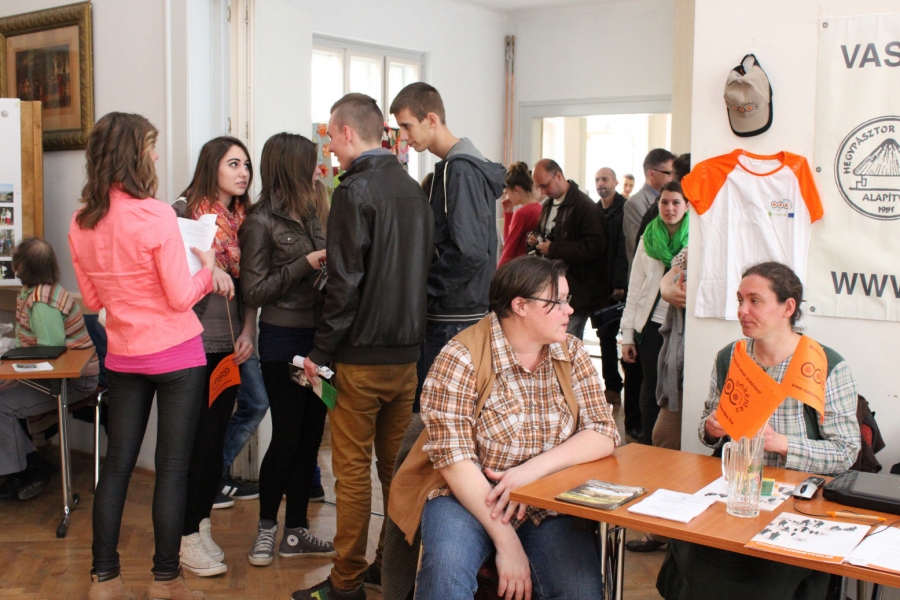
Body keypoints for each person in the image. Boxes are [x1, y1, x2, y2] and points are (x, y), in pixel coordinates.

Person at [69, 111, 218, 599]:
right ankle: (165, 579)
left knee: (116, 467)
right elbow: (181, 296)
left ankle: (104, 578)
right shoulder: (156, 214)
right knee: (172, 470)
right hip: (177, 356)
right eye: (151, 146)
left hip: (124, 357)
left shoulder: (81, 221)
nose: (156, 154)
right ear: (134, 154)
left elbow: (93, 300)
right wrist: (208, 269)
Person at [415, 256, 621, 599]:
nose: (569, 310)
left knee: (580, 591)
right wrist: (507, 542)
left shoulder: (571, 353)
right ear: (520, 306)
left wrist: (528, 473)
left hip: (548, 498)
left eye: (568, 300)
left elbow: (603, 431)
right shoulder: (461, 356)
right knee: (445, 573)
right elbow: (454, 459)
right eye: (558, 302)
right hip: (468, 497)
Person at [297, 93, 434, 600]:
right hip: (407, 358)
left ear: (348, 132)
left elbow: (345, 284)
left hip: (358, 358)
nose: (330, 148)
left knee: (352, 474)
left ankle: (346, 583)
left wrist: (320, 352)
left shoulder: (352, 191)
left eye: (332, 137)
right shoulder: (413, 189)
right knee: (397, 472)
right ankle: (390, 571)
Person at [657, 262, 861, 600]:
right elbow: (707, 428)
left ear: (788, 307)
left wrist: (781, 443)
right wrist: (711, 427)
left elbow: (846, 453)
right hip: (733, 494)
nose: (742, 310)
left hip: (797, 504)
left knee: (766, 581)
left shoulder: (825, 365)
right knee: (695, 558)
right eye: (740, 300)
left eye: (755, 301)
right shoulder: (731, 357)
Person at [239, 133, 334, 569]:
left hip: (320, 341)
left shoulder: (313, 211)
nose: (317, 170)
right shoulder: (259, 221)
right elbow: (254, 291)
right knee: (287, 437)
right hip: (282, 341)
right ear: (291, 166)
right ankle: (266, 529)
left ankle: (295, 530)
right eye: (311, 162)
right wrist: (304, 264)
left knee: (311, 439)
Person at [389, 82, 506, 411]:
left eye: (407, 126)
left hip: (454, 315)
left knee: (440, 417)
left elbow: (469, 251)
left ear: (431, 119)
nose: (404, 137)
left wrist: (424, 288)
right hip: (460, 310)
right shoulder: (457, 167)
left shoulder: (460, 169)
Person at [172, 136, 257, 576]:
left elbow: (249, 286)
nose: (243, 172)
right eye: (233, 164)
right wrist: (212, 268)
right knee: (197, 444)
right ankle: (185, 535)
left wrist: (248, 330)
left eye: (246, 164)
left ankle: (200, 524)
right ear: (212, 166)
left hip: (229, 343)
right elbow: (172, 274)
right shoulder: (185, 213)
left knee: (214, 443)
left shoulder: (244, 219)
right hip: (193, 343)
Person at [0, 238, 99, 502]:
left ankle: (24, 471)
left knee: (1, 405)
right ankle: (34, 464)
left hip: (73, 382)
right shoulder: (38, 291)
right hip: (57, 376)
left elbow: (52, 357)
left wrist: (14, 377)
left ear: (22, 266)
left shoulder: (42, 303)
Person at [621, 181, 688, 447]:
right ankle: (649, 446)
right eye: (664, 202)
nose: (670, 208)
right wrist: (627, 336)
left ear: (687, 206)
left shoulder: (696, 239)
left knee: (679, 386)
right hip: (651, 326)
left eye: (676, 202)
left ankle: (673, 446)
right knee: (650, 387)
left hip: (684, 327)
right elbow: (635, 288)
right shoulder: (648, 238)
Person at [529, 159, 606, 340]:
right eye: (538, 187)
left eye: (545, 185)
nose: (542, 191)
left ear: (558, 176)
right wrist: (535, 238)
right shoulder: (548, 204)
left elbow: (595, 247)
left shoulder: (584, 206)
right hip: (550, 285)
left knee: (567, 341)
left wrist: (553, 248)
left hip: (577, 290)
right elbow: (547, 232)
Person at [593, 167, 629, 411]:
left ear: (615, 182)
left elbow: (624, 249)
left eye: (605, 179)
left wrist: (619, 283)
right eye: (597, 180)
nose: (600, 183)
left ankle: (623, 385)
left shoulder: (624, 209)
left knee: (626, 335)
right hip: (599, 283)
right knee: (605, 334)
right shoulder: (595, 210)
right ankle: (612, 385)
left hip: (620, 283)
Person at [623, 149, 676, 268]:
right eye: (669, 173)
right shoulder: (635, 204)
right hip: (648, 271)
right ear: (651, 174)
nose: (673, 178)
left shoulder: (673, 200)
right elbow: (639, 245)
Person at [497, 161, 544, 267]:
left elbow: (509, 250)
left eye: (507, 193)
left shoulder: (522, 213)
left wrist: (498, 273)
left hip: (519, 268)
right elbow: (509, 242)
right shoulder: (539, 208)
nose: (507, 197)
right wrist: (508, 214)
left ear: (516, 190)